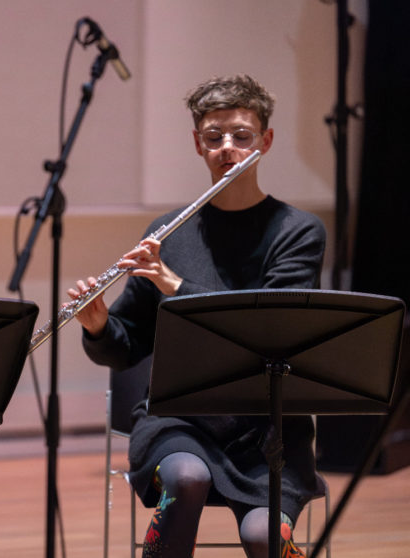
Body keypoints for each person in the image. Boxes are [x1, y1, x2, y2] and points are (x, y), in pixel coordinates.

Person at [68, 75, 326, 558]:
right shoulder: (168, 231)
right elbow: (127, 346)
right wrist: (99, 325)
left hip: (269, 429)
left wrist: (175, 285)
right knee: (187, 477)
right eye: (214, 136)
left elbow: (263, 331)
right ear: (197, 143)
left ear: (265, 141)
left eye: (241, 136)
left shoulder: (298, 232)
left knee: (264, 537)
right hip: (179, 420)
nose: (227, 147)